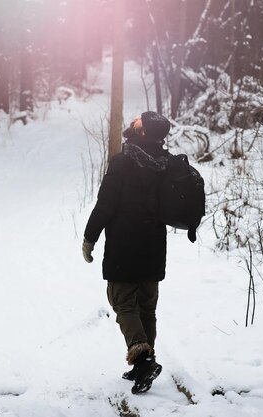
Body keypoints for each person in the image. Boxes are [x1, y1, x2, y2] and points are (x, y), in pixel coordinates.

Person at [82, 111, 171, 394]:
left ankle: (143, 359)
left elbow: (105, 204)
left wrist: (89, 237)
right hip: (154, 246)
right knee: (146, 306)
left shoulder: (122, 163)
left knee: (122, 302)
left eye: (138, 122)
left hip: (124, 245)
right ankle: (144, 362)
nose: (133, 122)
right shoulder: (166, 165)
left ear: (142, 133)